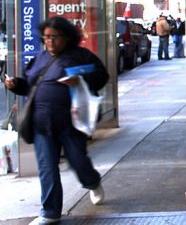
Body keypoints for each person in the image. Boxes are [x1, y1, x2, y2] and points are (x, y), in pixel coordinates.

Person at [3, 16, 109, 224]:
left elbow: (102, 77)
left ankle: (92, 182)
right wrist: (15, 84)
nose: (50, 42)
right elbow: (30, 87)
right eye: (46, 38)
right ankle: (50, 212)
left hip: (72, 122)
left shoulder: (81, 56)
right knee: (47, 168)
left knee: (79, 162)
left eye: (55, 37)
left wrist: (80, 80)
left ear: (67, 37)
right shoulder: (41, 58)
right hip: (42, 123)